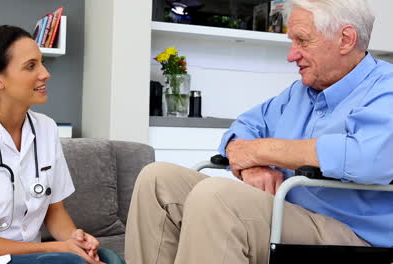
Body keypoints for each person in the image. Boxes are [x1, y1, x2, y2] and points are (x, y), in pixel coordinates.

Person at [125, 0, 393, 263]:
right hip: (286, 212)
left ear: (345, 39)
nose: (291, 55)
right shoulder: (299, 93)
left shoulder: (385, 88)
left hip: (351, 233)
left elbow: (366, 156)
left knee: (217, 198)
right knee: (157, 180)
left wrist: (261, 151)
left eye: (302, 40)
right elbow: (243, 128)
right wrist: (251, 167)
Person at [0, 25, 124, 264]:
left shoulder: (46, 129)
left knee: (108, 258)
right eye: (31, 66)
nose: (45, 73)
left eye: (41, 62)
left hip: (29, 258)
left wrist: (75, 240)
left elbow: (54, 210)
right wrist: (59, 249)